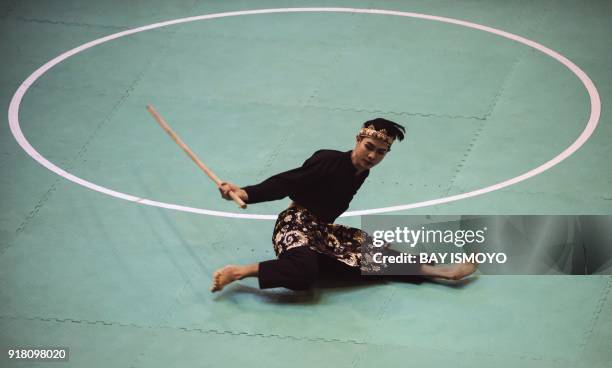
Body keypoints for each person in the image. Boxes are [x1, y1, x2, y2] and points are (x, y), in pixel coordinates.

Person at [211, 118, 477, 292]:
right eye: (368, 147)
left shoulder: (363, 171)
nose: (372, 156)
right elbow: (286, 182)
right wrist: (245, 193)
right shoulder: (328, 160)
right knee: (305, 274)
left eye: (381, 152)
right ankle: (240, 272)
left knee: (370, 254)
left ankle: (443, 272)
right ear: (357, 140)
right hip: (295, 225)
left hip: (322, 230)